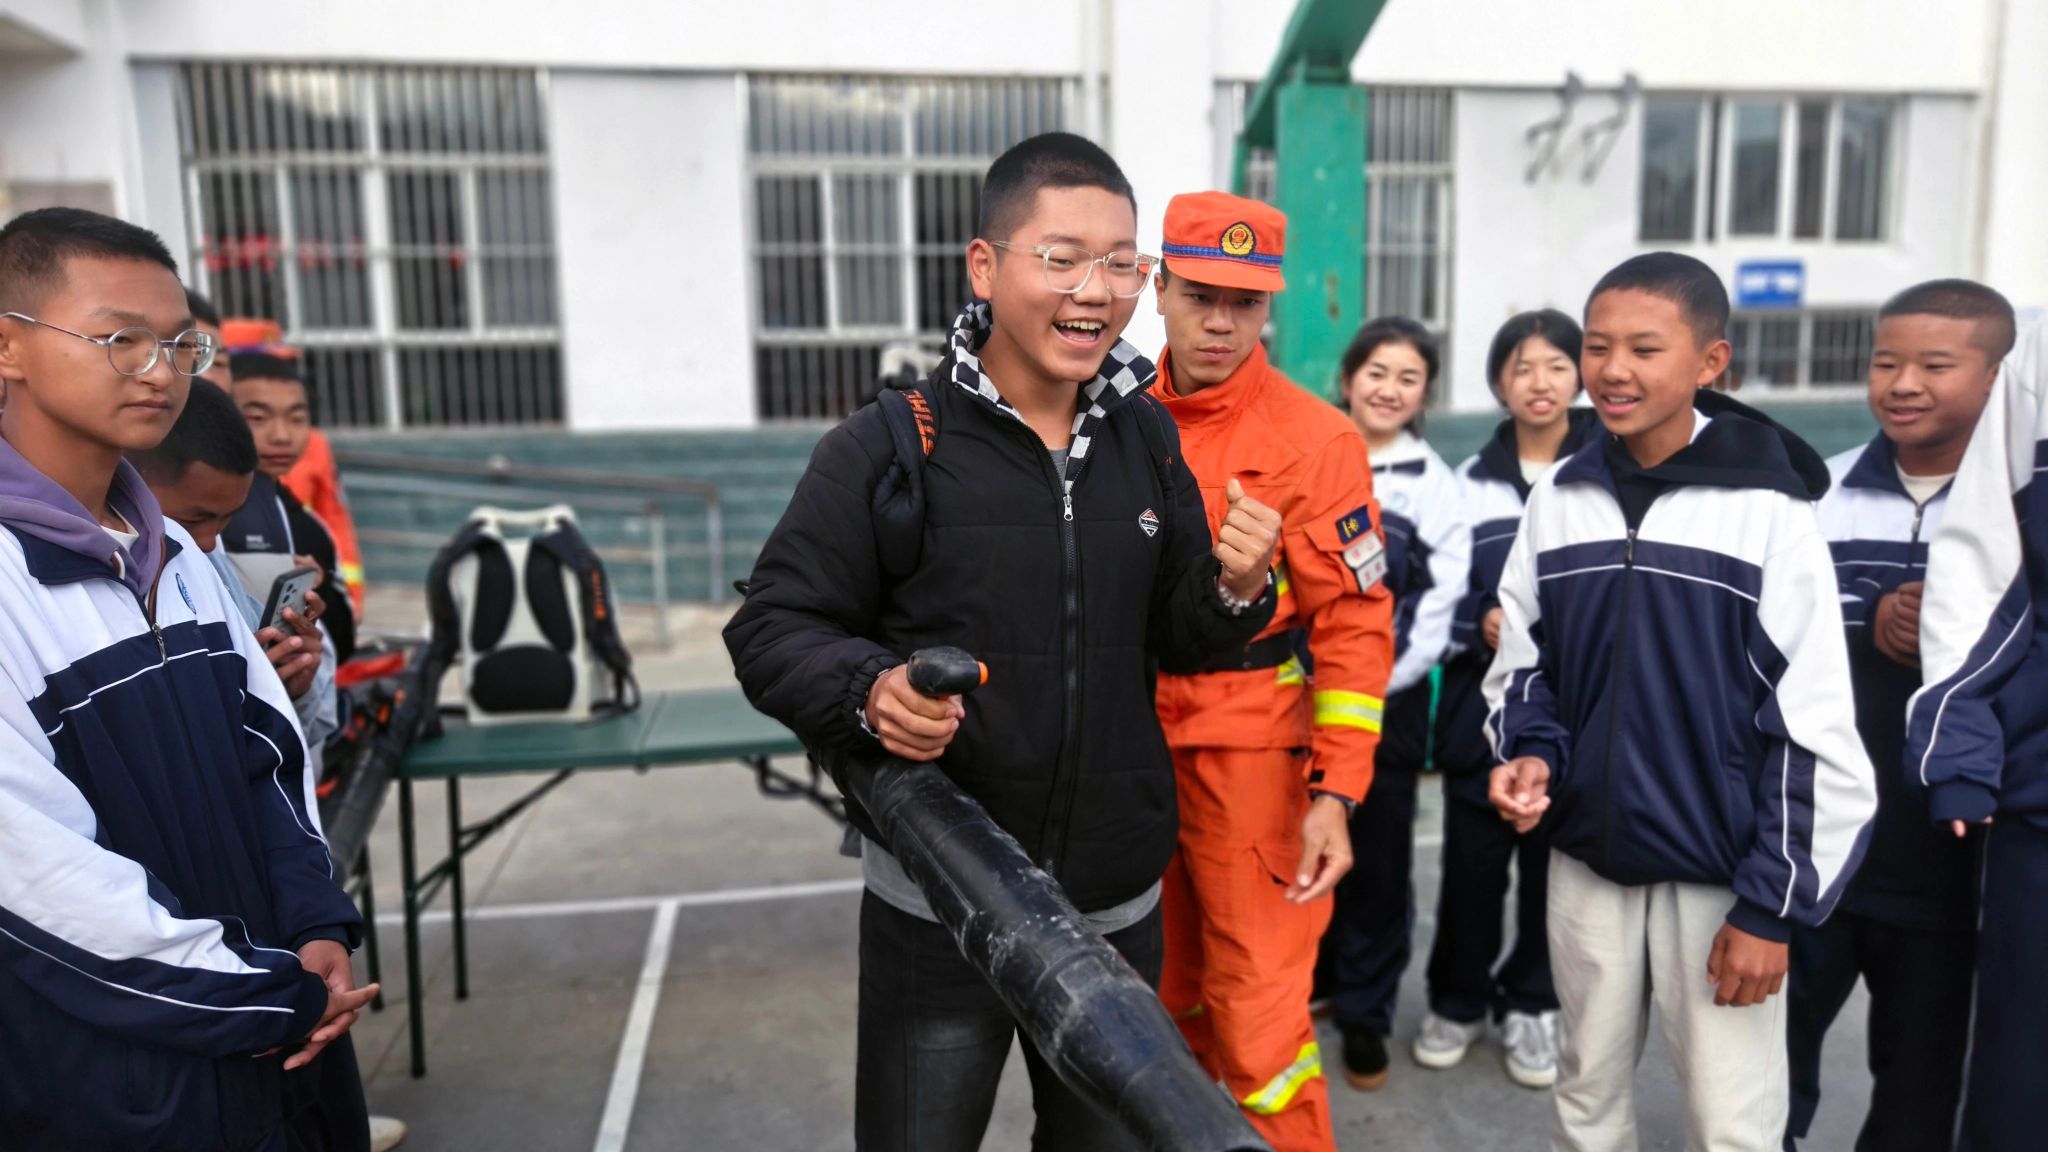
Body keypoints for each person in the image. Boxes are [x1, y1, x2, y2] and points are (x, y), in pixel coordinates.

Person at [724, 133, 1281, 1150]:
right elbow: (770, 627)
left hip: (1112, 909)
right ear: (984, 267)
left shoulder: (1145, 436)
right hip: (939, 903)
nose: (1095, 290)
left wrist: (1238, 587)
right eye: (1061, 257)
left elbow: (1181, 638)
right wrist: (871, 690)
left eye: (1121, 263)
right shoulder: (891, 443)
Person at [0, 206, 374, 1150]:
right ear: (8, 347)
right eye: (119, 339)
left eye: (180, 345)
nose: (162, 371)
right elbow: (41, 882)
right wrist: (261, 993)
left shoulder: (174, 551)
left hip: (276, 1037)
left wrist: (314, 924)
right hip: (120, 1086)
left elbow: (270, 752)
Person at [1484, 251, 1876, 1152]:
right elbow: (1523, 662)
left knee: (1732, 1122)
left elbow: (1812, 721)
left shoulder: (1770, 512)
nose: (1613, 370)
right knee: (1584, 1097)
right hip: (1587, 858)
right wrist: (1532, 751)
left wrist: (1770, 907)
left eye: (1645, 348)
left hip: (1722, 875)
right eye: (1597, 346)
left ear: (1711, 362)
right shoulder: (1561, 496)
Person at [1147, 191, 1396, 1150]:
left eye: (1244, 303)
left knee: (1258, 1024)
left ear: (1268, 309)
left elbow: (1355, 624)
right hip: (1129, 752)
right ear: (1158, 289)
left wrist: (1336, 792)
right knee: (1154, 1009)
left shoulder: (1315, 438)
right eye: (1200, 295)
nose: (1221, 322)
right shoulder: (1111, 418)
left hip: (1253, 759)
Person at [1783, 279, 2010, 1150]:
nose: (1903, 383)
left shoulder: (2015, 505)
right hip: (1816, 851)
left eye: (1934, 365)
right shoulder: (1819, 493)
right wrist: (1865, 620)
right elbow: (1770, 633)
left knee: (1919, 1087)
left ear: (1995, 379)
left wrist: (1957, 638)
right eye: (1885, 362)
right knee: (1766, 1070)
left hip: (1948, 867)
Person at [1420, 309, 1598, 1089]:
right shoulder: (1469, 485)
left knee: (1553, 878)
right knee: (1472, 872)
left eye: (1557, 365)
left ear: (1580, 377)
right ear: (1498, 382)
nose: (1540, 382)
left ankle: (1533, 1002)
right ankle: (1457, 1001)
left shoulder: (1607, 473)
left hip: (1578, 718)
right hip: (1481, 717)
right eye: (1522, 367)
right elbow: (1439, 594)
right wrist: (1477, 621)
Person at [1316, 316, 1471, 1092]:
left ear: (1424, 395)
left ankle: (1365, 1012)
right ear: (1348, 379)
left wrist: (1362, 689)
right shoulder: (1310, 453)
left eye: (1408, 378)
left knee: (1377, 865)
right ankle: (1310, 980)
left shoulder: (1436, 486)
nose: (1389, 389)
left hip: (1386, 707)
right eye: (1377, 372)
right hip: (1292, 701)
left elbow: (1437, 608)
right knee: (1294, 849)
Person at [1906, 314, 2046, 1152]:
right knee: (2023, 1072)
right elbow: (1980, 570)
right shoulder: (2038, 355)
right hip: (2041, 805)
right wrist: (1958, 752)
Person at [220, 318, 366, 617]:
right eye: (258, 418)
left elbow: (335, 519)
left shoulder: (315, 446)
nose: (282, 436)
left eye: (298, 418)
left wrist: (347, 597)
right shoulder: (209, 507)